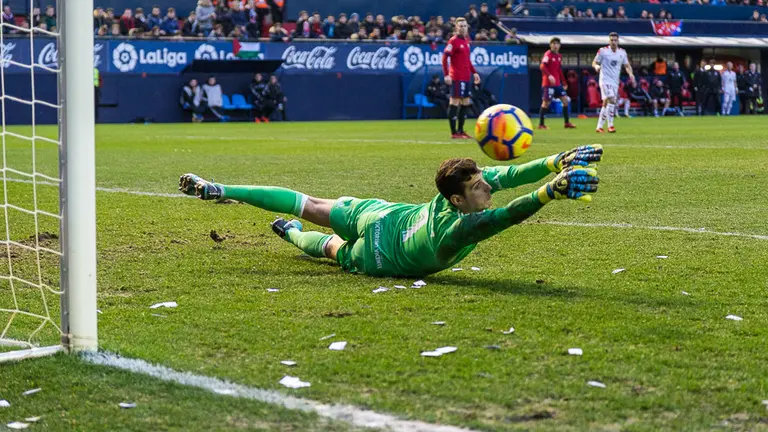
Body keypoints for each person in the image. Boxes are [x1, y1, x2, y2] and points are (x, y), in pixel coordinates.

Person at [179, 147, 602, 278]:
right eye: (478, 186)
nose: (487, 185)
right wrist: (548, 193)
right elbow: (503, 217)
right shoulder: (454, 233)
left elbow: (508, 174)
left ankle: (224, 189)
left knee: (307, 203)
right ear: (458, 199)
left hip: (380, 216)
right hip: (379, 258)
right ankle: (288, 233)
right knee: (328, 248)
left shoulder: (452, 190)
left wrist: (554, 162)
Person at [442, 18, 480, 140]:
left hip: (466, 76)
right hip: (456, 77)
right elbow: (444, 58)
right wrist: (446, 74)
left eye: (464, 25)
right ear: (456, 28)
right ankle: (454, 132)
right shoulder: (453, 41)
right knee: (454, 102)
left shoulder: (466, 41)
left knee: (465, 102)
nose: (463, 28)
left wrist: (474, 72)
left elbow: (467, 60)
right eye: (460, 26)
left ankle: (461, 130)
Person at [593, 32, 634, 133]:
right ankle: (611, 125)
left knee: (606, 103)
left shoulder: (622, 52)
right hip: (605, 80)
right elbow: (594, 62)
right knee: (611, 99)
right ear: (609, 41)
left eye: (615, 40)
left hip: (615, 81)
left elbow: (627, 65)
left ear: (618, 41)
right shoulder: (602, 51)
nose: (614, 42)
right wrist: (596, 66)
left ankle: (599, 127)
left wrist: (631, 74)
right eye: (612, 40)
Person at [538, 37, 576, 130]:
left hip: (557, 84)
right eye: (553, 44)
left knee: (565, 101)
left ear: (559, 45)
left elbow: (559, 70)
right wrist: (549, 75)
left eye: (557, 44)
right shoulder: (548, 54)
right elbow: (542, 66)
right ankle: (541, 124)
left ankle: (567, 123)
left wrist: (564, 82)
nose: (555, 46)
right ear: (550, 45)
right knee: (546, 103)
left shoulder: (559, 56)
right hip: (548, 84)